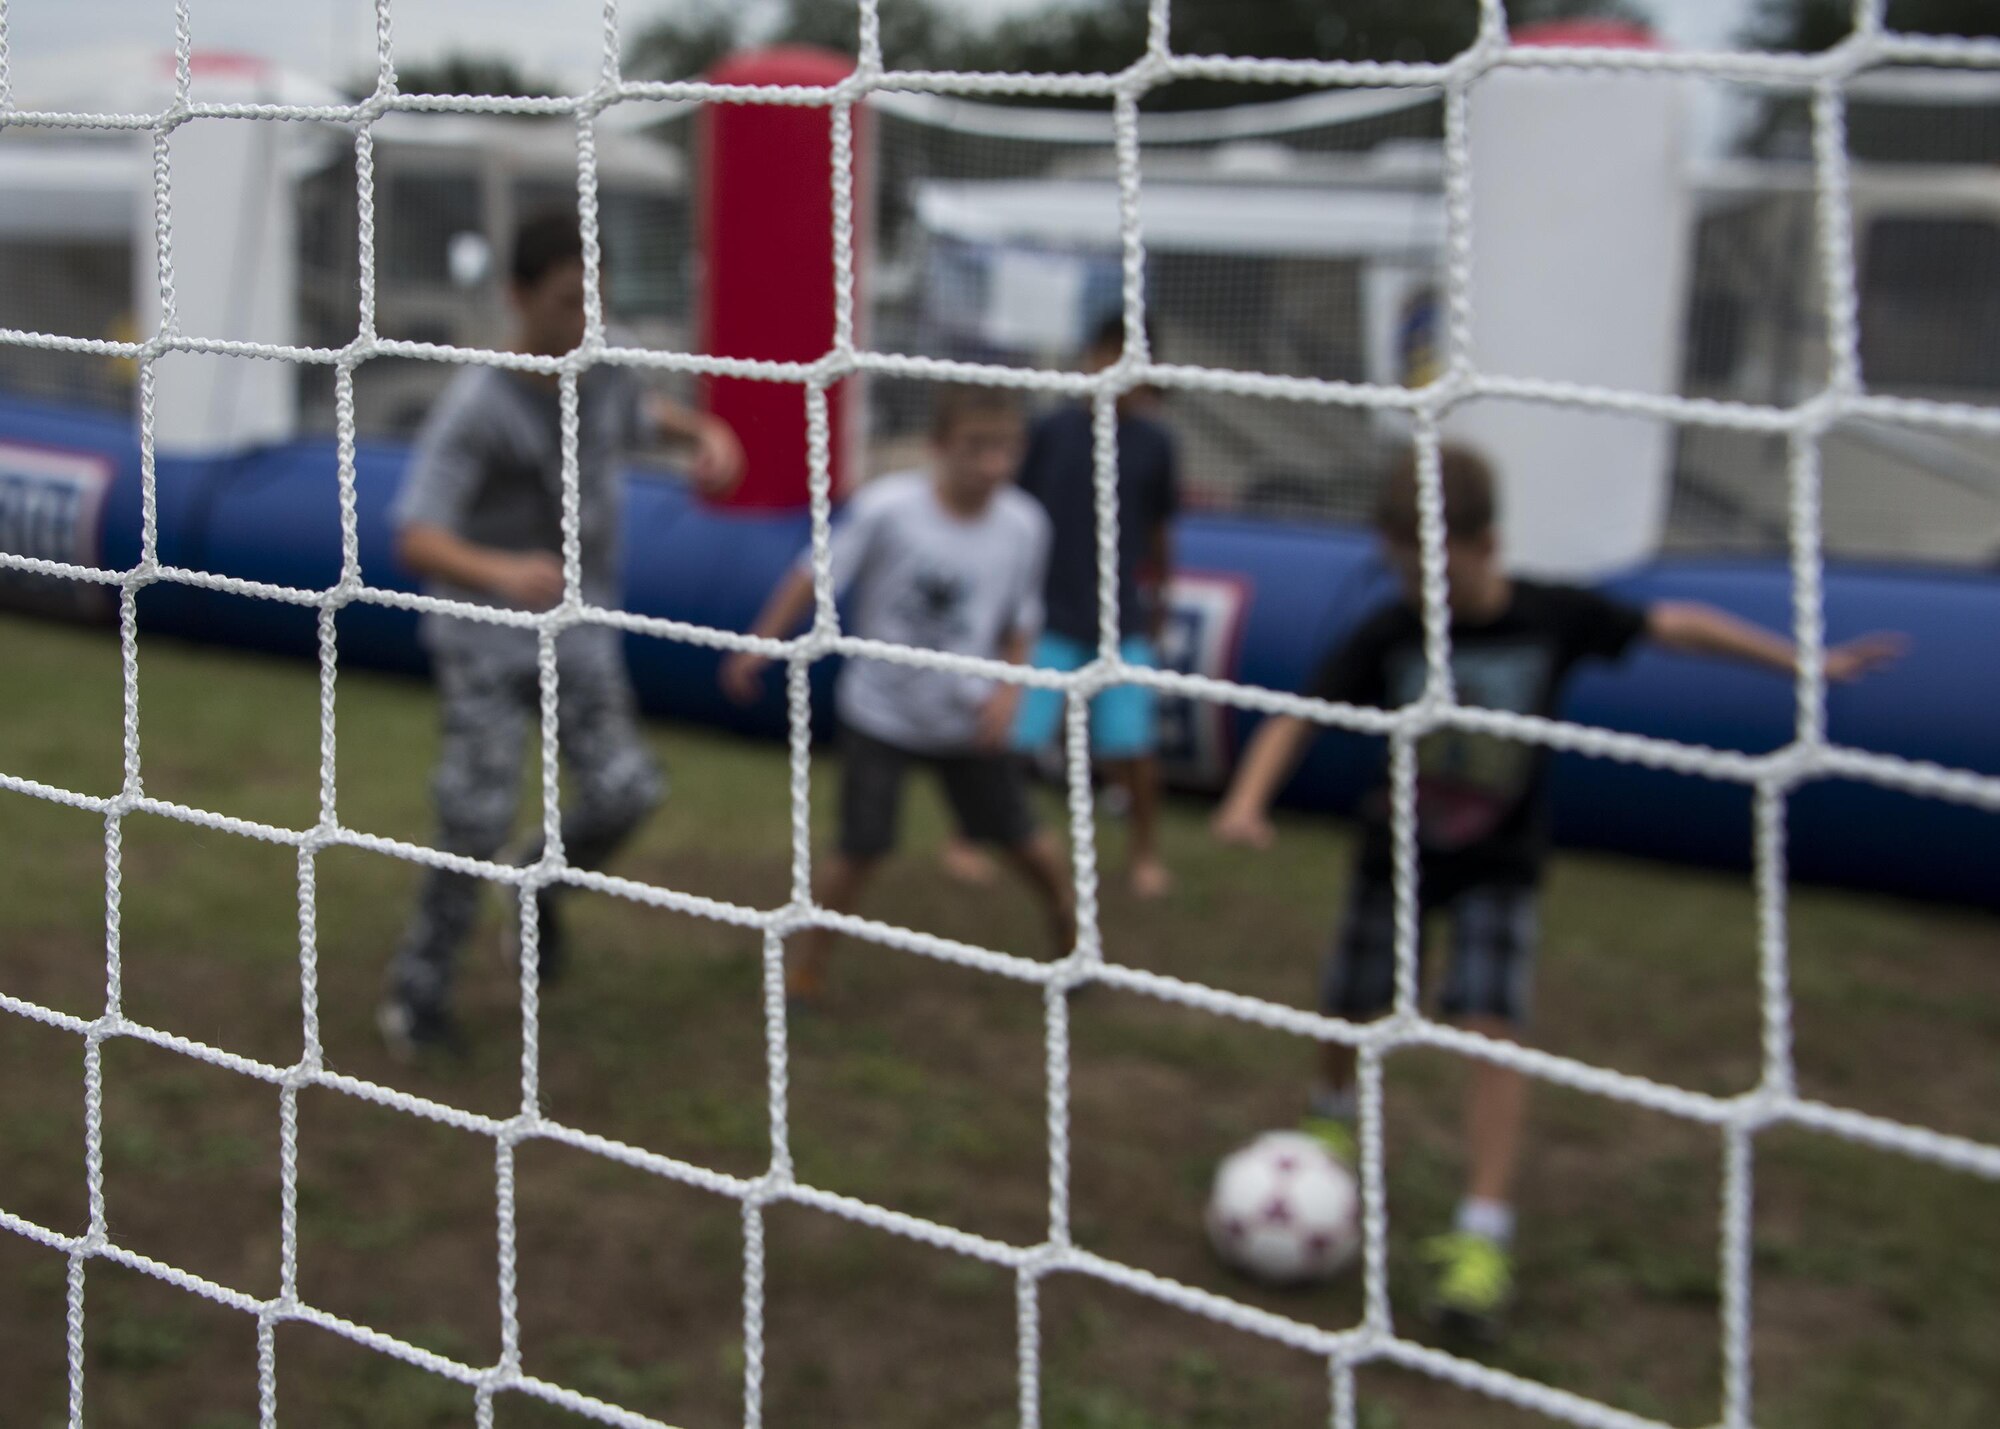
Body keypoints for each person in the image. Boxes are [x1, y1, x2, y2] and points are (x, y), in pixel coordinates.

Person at [1211, 443, 1903, 1336]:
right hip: (1397, 852)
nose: (1424, 591)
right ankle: (1334, 1116)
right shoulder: (1389, 630)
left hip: (1502, 857)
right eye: (1403, 570)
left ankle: (1481, 1236)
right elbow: (1299, 715)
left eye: (1437, 570)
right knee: (1352, 1002)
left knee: (1493, 1030)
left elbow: (1678, 623)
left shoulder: (1551, 617)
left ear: (1488, 543)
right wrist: (1245, 799)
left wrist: (1803, 663)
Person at [380, 210, 744, 1057]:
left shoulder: (602, 370)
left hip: (577, 635)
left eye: (596, 303)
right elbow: (415, 535)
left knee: (628, 791)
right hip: (485, 642)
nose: (583, 321)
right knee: (472, 819)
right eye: (566, 303)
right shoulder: (479, 405)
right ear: (516, 298)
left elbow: (646, 413)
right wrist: (502, 572)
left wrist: (709, 433)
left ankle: (536, 882)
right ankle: (416, 996)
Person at [722, 384, 1075, 1003]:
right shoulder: (890, 508)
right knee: (859, 848)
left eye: (1006, 448)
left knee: (1024, 841)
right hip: (880, 711)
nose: (993, 464)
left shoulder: (1026, 523)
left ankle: (1073, 940)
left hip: (965, 716)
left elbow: (1022, 620)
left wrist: (1007, 693)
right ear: (938, 447)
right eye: (977, 448)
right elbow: (814, 572)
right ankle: (808, 968)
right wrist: (762, 643)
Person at [942, 316, 1181, 898]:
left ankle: (1145, 856)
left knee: (1132, 748)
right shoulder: (1051, 432)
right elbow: (1012, 517)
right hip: (1048, 615)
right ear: (1091, 356)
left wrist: (1161, 602)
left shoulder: (1156, 443)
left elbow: (1160, 532)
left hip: (1119, 620)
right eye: (1109, 353)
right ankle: (968, 838)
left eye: (1131, 359)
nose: (1116, 370)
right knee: (1007, 736)